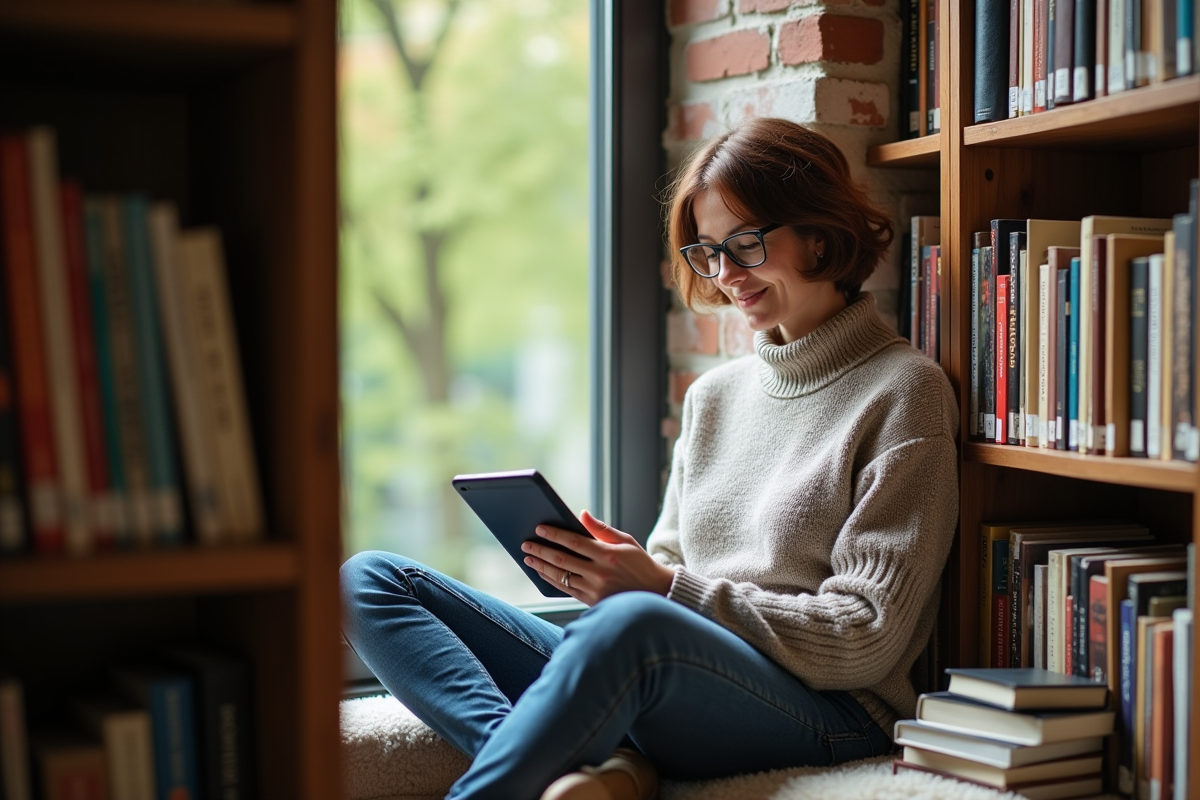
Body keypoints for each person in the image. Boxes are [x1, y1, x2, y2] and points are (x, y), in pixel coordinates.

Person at [340, 116, 959, 800]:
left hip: (831, 714)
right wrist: (620, 572)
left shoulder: (905, 391)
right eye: (708, 251)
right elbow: (673, 568)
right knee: (368, 579)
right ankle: (566, 768)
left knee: (633, 623)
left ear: (821, 231)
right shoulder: (715, 396)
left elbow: (866, 635)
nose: (725, 275)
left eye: (746, 244)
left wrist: (662, 590)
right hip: (680, 676)